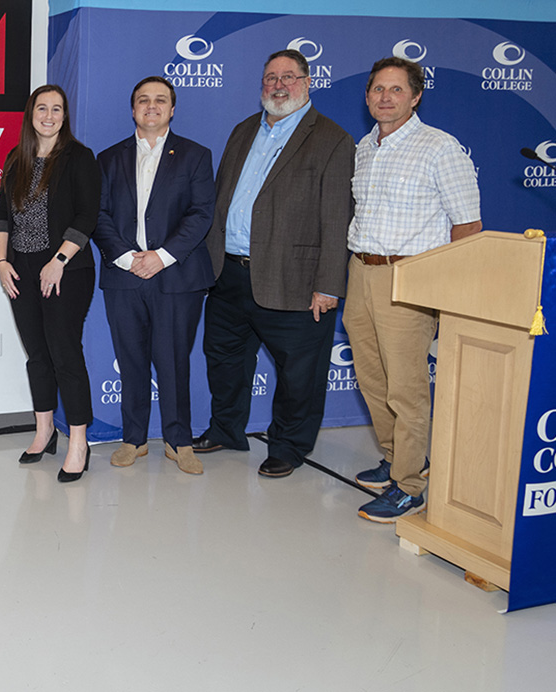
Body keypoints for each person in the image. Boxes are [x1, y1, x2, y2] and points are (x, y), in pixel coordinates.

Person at [194, 50, 353, 478]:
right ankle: (226, 428)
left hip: (295, 280)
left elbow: (338, 219)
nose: (278, 85)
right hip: (228, 273)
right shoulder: (244, 129)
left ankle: (288, 446)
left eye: (288, 77)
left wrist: (328, 285)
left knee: (299, 372)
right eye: (270, 78)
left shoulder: (333, 140)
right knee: (224, 359)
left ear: (307, 82)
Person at [344, 56, 481, 522]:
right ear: (367, 97)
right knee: (372, 378)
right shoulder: (366, 147)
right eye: (378, 89)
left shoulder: (440, 148)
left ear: (416, 96)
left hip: (411, 277)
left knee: (406, 388)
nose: (385, 97)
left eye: (396, 89)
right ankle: (396, 457)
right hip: (360, 271)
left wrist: (447, 293)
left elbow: (468, 226)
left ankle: (410, 486)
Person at [93, 77, 215, 475]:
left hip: (176, 277)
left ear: (172, 109)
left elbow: (201, 215)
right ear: (133, 110)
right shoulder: (108, 159)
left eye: (160, 100)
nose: (151, 106)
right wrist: (129, 259)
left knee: (174, 360)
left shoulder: (196, 156)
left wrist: (161, 257)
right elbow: (100, 215)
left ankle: (180, 441)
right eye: (143, 100)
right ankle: (134, 439)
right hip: (124, 276)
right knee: (131, 360)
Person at [0, 84, 101, 482]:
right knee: (36, 353)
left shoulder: (79, 157)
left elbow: (87, 215)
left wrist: (58, 260)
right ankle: (43, 431)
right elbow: (2, 214)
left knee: (64, 353)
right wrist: (2, 262)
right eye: (42, 108)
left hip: (66, 270)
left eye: (57, 109)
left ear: (65, 115)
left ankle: (78, 442)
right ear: (31, 113)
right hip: (21, 268)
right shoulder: (15, 158)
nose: (49, 115)